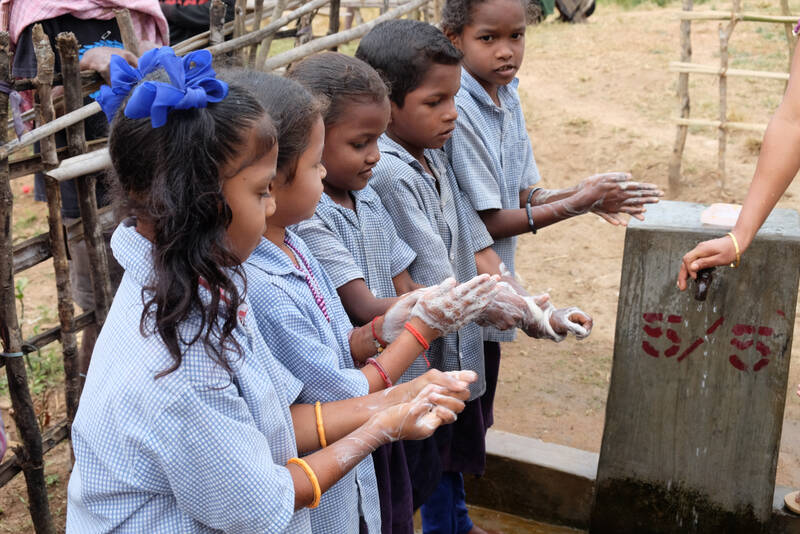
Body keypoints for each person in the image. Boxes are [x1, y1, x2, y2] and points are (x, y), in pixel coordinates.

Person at [67, 47, 474, 532]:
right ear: (202, 202)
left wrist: (396, 399)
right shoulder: (180, 358)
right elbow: (260, 505)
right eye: (261, 191)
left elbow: (276, 421)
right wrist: (380, 426)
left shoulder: (204, 286)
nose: (269, 209)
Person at [227, 68, 499, 534]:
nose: (324, 175)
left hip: (349, 450)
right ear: (271, 180)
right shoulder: (260, 279)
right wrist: (420, 331)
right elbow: (338, 391)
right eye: (316, 166)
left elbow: (340, 344)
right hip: (321, 464)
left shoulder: (296, 239)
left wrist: (383, 329)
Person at [356, 21, 593, 534]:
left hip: (453, 354)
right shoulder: (391, 173)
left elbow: (476, 242)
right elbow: (432, 281)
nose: (452, 114)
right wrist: (499, 306)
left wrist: (533, 309)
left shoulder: (435, 156)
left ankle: (451, 525)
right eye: (435, 101)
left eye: (454, 98)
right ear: (387, 105)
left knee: (445, 455)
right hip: (420, 363)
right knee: (415, 473)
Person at [10, 0, 168, 374]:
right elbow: (28, 88)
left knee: (154, 291)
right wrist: (84, 60)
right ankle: (92, 398)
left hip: (145, 170)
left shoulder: (132, 6)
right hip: (83, 185)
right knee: (103, 304)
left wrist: (149, 55)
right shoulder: (39, 12)